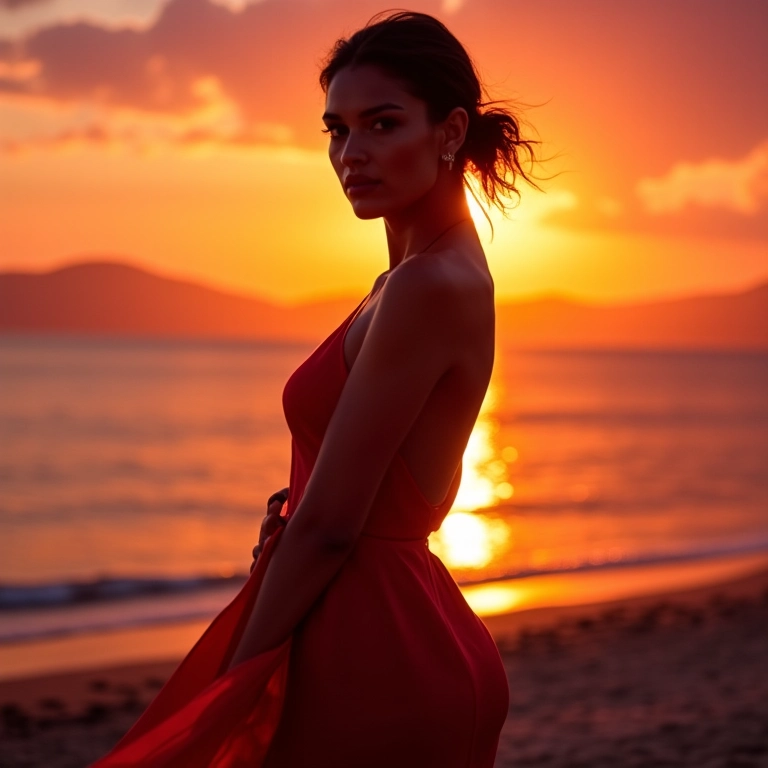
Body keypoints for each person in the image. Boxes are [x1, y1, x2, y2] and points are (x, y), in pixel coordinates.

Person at [92, 11, 537, 768]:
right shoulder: (410, 280)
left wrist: (233, 684)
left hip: (375, 654)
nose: (351, 154)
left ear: (451, 131)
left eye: (382, 124)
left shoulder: (426, 287)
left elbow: (333, 526)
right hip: (385, 628)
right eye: (336, 130)